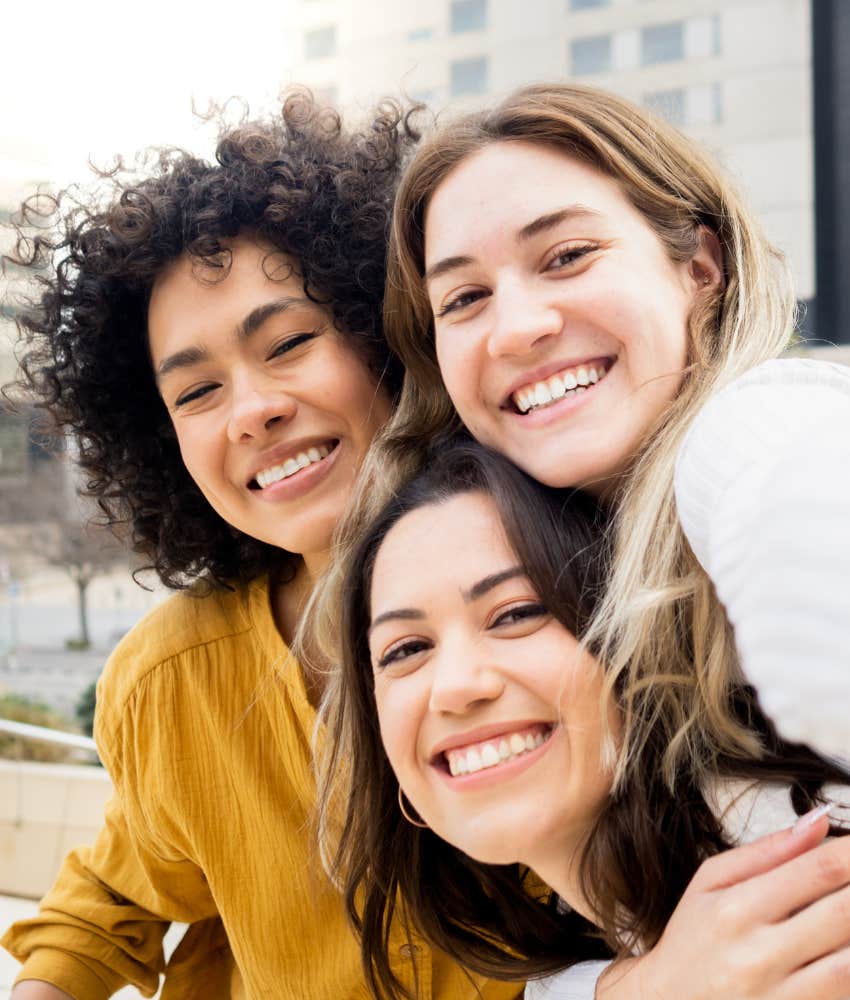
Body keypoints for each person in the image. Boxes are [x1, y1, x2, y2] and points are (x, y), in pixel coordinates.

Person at [312, 82, 850, 997]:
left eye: (567, 255)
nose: (519, 326)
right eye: (465, 298)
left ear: (701, 266)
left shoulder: (756, 439)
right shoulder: (638, 580)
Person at [0, 94, 521, 1000]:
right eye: (195, 394)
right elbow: (119, 891)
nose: (252, 411)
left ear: (389, 334)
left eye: (288, 342)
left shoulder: (581, 600)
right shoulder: (172, 677)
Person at [325, 438, 850, 1000]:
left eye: (516, 614)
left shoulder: (795, 845)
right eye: (405, 650)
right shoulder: (582, 960)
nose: (455, 687)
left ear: (628, 636)